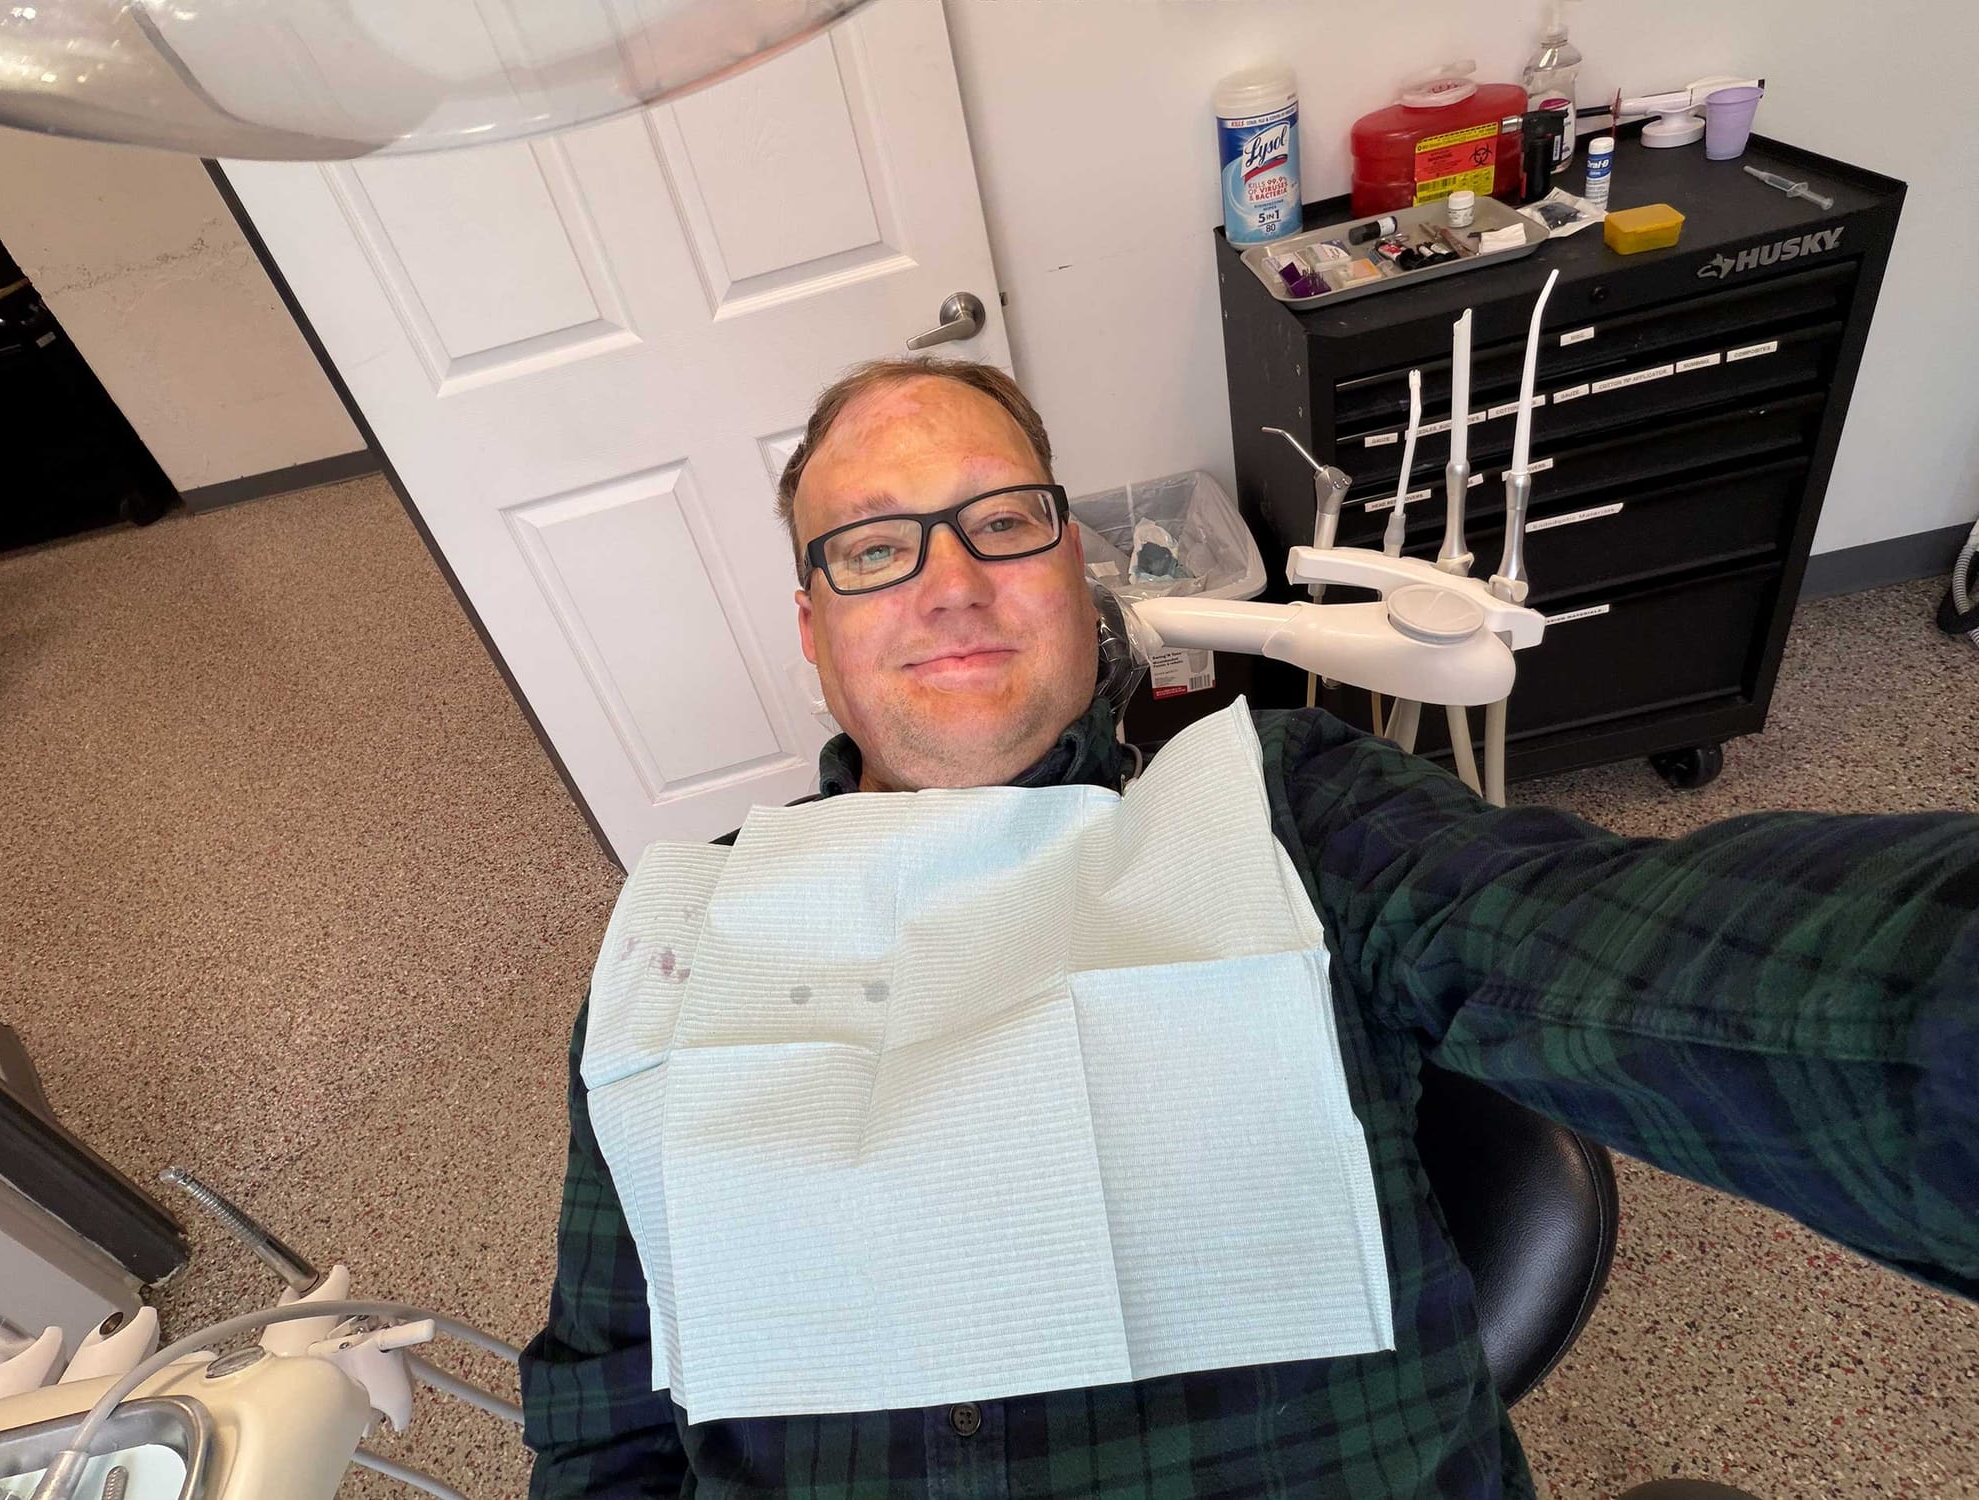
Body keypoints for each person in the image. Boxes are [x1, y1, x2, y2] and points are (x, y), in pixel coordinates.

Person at [519, 357, 1977, 1499]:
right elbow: (605, 1409)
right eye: (872, 546)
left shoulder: (1288, 814)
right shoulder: (685, 945)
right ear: (812, 633)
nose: (951, 579)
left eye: (1003, 520)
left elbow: (1613, 947)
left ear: (1079, 580)